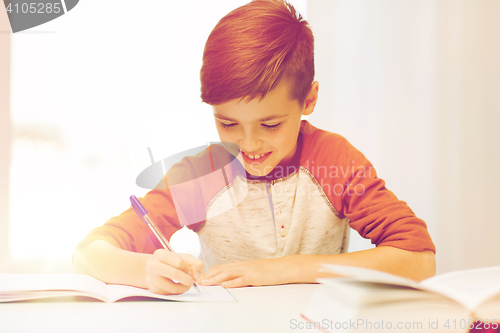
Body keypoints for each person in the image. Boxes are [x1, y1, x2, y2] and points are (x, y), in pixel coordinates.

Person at [73, 0, 436, 295]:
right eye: (228, 124)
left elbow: (418, 260)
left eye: (271, 124)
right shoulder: (204, 175)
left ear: (308, 100)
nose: (249, 145)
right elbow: (88, 254)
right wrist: (145, 269)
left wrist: (284, 270)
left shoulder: (334, 162)